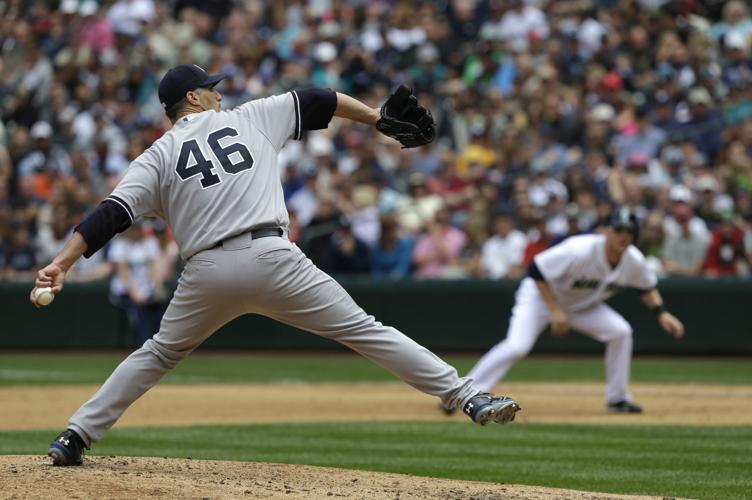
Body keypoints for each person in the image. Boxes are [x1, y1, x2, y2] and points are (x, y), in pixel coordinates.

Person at [31, 64, 520, 466]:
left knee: (157, 354)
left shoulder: (155, 158)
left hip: (207, 272)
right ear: (194, 99)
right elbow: (321, 98)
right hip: (273, 257)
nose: (219, 95)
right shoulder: (251, 117)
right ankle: (467, 396)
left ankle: (74, 436)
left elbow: (108, 216)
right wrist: (377, 120)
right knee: (365, 331)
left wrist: (62, 262)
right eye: (211, 89)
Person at [452, 208, 684, 414]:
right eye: (619, 229)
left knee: (621, 332)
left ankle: (618, 398)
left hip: (582, 306)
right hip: (539, 299)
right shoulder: (579, 249)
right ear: (607, 231)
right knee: (517, 346)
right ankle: (464, 394)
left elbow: (647, 288)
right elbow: (536, 270)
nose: (624, 235)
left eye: (629, 231)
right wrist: (555, 310)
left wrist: (661, 312)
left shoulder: (633, 260)